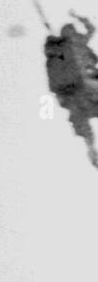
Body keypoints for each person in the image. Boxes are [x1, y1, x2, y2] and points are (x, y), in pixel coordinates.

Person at [44, 13, 98, 167]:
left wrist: (78, 16)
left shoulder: (70, 44)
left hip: (77, 90)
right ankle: (91, 149)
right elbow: (91, 29)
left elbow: (91, 29)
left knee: (81, 120)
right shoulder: (73, 43)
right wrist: (78, 17)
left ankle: (91, 148)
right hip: (80, 88)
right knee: (82, 120)